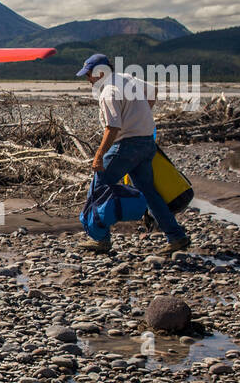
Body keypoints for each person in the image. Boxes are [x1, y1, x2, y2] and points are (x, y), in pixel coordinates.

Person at [78, 53, 190, 254]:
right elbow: (152, 90)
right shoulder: (127, 79)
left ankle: (101, 238)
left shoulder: (108, 92)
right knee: (149, 192)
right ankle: (176, 237)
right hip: (147, 143)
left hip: (126, 146)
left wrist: (99, 156)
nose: (88, 79)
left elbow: (112, 128)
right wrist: (140, 115)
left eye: (89, 74)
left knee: (98, 185)